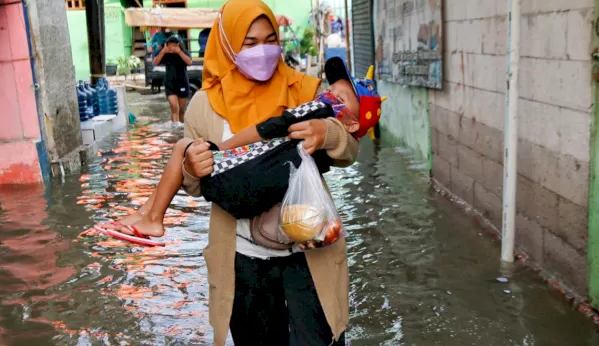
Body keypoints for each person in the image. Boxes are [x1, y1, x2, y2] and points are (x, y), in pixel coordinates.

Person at [182, 0, 367, 346]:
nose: (261, 51)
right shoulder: (204, 107)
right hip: (244, 260)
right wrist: (193, 167)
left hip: (311, 249)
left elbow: (350, 150)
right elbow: (193, 184)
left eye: (269, 40)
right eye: (248, 42)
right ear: (227, 45)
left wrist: (327, 132)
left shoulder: (306, 90)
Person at [98, 56, 384, 241]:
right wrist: (196, 164)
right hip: (248, 195)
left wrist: (222, 150)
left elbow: (269, 129)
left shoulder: (317, 108)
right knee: (187, 152)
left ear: (349, 123)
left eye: (343, 96)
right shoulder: (204, 104)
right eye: (335, 88)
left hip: (241, 187)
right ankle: (145, 214)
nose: (332, 93)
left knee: (184, 146)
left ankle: (153, 219)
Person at [154, 34, 192, 124]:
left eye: (174, 45)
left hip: (182, 83)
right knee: (175, 109)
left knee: (181, 110)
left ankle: (181, 129)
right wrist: (163, 51)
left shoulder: (183, 53)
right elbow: (155, 63)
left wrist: (179, 52)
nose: (172, 47)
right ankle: (175, 131)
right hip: (169, 84)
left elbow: (189, 62)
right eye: (170, 45)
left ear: (178, 45)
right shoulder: (165, 54)